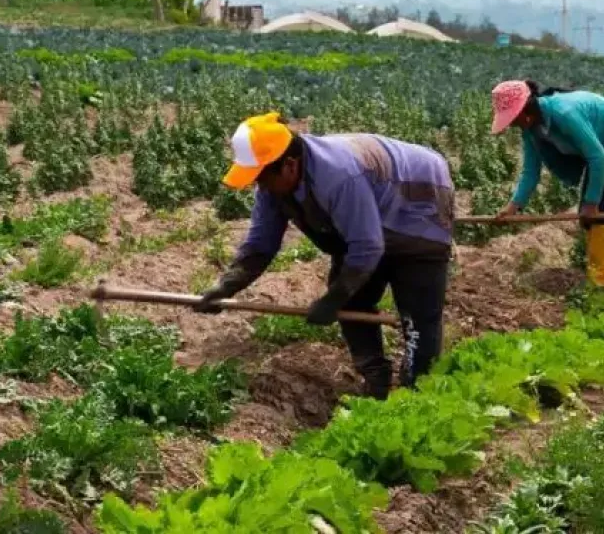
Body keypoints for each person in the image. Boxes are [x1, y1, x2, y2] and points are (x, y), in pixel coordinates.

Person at [195, 112, 455, 400]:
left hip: (419, 197)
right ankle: (376, 379)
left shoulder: (339, 175)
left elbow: (367, 246)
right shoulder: (273, 185)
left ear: (289, 165)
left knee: (417, 312)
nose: (260, 187)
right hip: (370, 206)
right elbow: (261, 243)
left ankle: (419, 389)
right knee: (354, 299)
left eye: (262, 178)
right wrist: (228, 285)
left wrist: (333, 298)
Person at [490, 80, 604, 287]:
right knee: (590, 217)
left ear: (525, 109)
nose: (511, 124)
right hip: (598, 148)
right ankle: (595, 274)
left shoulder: (564, 114)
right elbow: (530, 171)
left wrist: (592, 203)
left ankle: (598, 285)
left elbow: (599, 157)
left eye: (512, 118)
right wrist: (513, 206)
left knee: (602, 214)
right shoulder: (531, 129)